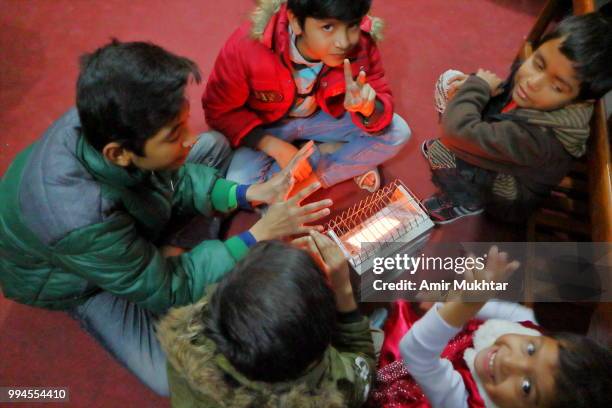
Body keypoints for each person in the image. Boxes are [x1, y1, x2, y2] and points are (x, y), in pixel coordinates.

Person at [0, 40, 331, 395]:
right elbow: (168, 289)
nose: (189, 140)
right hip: (82, 278)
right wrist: (256, 235)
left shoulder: (108, 116)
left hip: (123, 227)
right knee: (168, 377)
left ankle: (181, 256)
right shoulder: (78, 221)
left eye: (183, 123)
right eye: (175, 134)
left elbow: (171, 176)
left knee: (214, 146)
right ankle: (180, 259)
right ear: (119, 153)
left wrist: (246, 194)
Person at [421, 11, 612, 224]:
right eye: (539, 63)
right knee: (456, 99)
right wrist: (482, 90)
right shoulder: (542, 97)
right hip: (508, 152)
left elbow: (455, 132)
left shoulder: (540, 139)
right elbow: (503, 105)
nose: (533, 82)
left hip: (507, 197)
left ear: (580, 101)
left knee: (444, 149)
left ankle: (466, 201)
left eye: (557, 86)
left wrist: (478, 87)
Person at [203, 0, 411, 193]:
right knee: (240, 187)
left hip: (326, 115)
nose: (344, 42)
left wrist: (369, 110)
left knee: (398, 132)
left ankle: (309, 177)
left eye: (352, 25)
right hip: (266, 125)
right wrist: (271, 145)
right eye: (328, 27)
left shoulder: (362, 42)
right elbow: (218, 111)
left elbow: (379, 90)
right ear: (296, 22)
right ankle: (336, 157)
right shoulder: (246, 47)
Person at [370, 247, 612, 408]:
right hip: (445, 353)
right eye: (530, 349)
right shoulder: (533, 327)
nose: (510, 362)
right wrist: (453, 297)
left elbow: (416, 353)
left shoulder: (467, 404)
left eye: (527, 387)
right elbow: (487, 307)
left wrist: (466, 302)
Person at [157, 231, 376, 407]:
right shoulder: (325, 388)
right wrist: (343, 289)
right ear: (314, 356)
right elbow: (363, 370)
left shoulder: (191, 338)